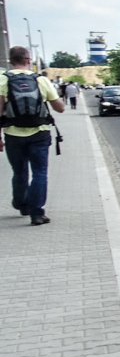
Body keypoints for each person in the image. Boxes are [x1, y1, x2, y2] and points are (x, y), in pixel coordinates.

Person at [1, 46, 64, 226]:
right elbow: (59, 108)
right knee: (40, 173)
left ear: (10, 61)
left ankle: (21, 204)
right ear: (29, 60)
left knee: (19, 172)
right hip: (39, 133)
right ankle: (37, 214)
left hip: (12, 134)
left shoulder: (2, 80)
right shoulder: (41, 80)